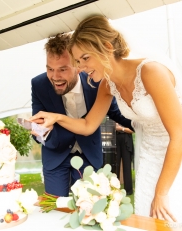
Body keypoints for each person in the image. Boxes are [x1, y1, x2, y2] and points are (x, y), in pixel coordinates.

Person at [29, 15, 182, 222]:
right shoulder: (106, 84)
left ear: (107, 48)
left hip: (175, 151)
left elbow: (179, 134)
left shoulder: (151, 71)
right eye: (78, 61)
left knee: (169, 215)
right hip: (147, 155)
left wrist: (162, 193)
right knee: (146, 215)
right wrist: (56, 118)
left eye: (84, 59)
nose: (81, 68)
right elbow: (87, 125)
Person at [31, 33, 133, 197]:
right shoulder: (38, 85)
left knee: (89, 211)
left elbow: (115, 112)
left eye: (63, 69)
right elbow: (37, 130)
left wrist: (141, 126)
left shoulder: (98, 81)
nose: (55, 77)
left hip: (89, 154)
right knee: (54, 210)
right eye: (50, 69)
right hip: (56, 156)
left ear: (78, 66)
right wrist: (43, 130)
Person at [115, 123, 134, 195]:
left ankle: (128, 190)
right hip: (115, 138)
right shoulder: (114, 114)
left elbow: (132, 130)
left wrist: (121, 128)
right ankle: (114, 188)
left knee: (127, 165)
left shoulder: (128, 116)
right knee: (115, 165)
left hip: (126, 139)